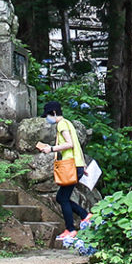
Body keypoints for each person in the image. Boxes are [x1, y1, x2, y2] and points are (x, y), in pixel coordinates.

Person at [38, 101, 91, 241]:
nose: (47, 118)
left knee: (62, 198)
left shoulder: (61, 124)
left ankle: (71, 229)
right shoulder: (68, 123)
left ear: (54, 113)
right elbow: (77, 145)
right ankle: (84, 216)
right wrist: (83, 165)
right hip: (76, 165)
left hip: (71, 166)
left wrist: (51, 148)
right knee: (62, 197)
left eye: (48, 115)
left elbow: (70, 144)